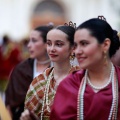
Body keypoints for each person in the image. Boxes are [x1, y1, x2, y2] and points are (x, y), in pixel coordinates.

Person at [50, 17, 120, 120]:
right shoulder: (69, 85)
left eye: (84, 44)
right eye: (76, 45)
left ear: (105, 45)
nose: (77, 51)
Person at [20, 24, 80, 120]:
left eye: (58, 44)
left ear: (73, 48)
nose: (52, 49)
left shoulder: (81, 79)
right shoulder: (39, 81)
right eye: (49, 43)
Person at [5, 25, 52, 120]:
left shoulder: (59, 69)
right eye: (29, 41)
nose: (29, 45)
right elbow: (10, 105)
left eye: (34, 41)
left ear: (47, 44)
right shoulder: (21, 69)